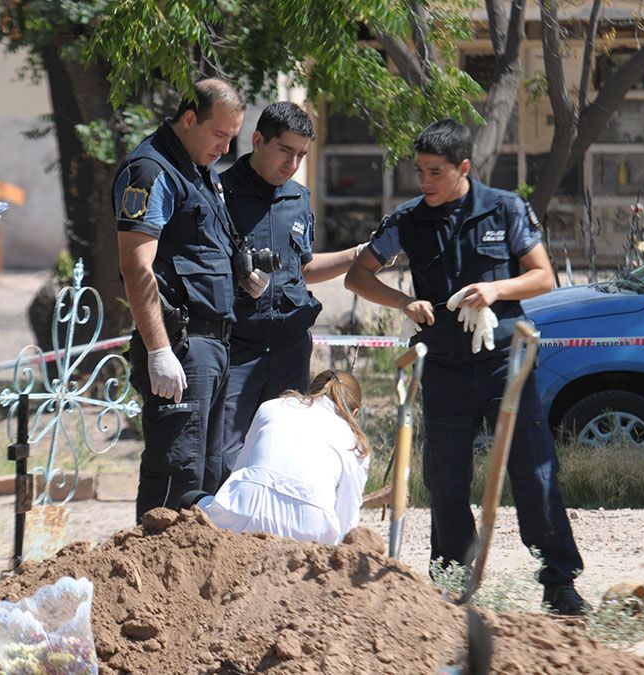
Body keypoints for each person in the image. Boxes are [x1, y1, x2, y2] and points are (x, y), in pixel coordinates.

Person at [344, 119, 588, 615]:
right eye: (419, 171)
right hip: (445, 366)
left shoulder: (505, 208)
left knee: (534, 470)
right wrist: (404, 302)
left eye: (435, 172)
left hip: (504, 363)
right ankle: (453, 579)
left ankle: (559, 582)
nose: (425, 181)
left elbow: (543, 277)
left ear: (463, 168)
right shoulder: (409, 220)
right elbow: (357, 276)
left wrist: (496, 289)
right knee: (446, 479)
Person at [114, 79, 260, 521]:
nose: (225, 148)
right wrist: (158, 349)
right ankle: (155, 565)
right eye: (219, 135)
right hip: (182, 346)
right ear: (190, 119)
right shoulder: (151, 170)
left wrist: (243, 275)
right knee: (176, 476)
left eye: (232, 138)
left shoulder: (198, 172)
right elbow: (136, 266)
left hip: (214, 346)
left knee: (208, 477)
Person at [219, 102, 366, 474]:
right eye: (286, 150)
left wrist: (358, 254)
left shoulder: (298, 198)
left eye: (301, 154)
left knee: (283, 449)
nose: (293, 163)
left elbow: (303, 269)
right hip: (239, 345)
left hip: (289, 345)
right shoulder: (220, 193)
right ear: (257, 141)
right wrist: (236, 278)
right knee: (226, 451)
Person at [190, 369, 371, 544]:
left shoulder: (271, 407)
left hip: (241, 516)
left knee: (191, 497)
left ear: (311, 391)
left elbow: (240, 470)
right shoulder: (356, 445)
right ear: (355, 412)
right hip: (311, 534)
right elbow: (347, 518)